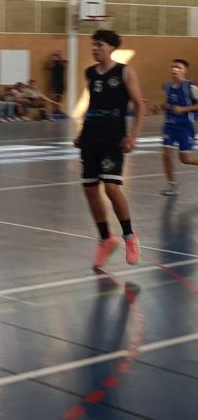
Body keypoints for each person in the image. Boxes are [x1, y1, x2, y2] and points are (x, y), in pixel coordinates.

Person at [76, 30, 145, 267]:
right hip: (90, 135)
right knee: (90, 189)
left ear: (112, 47)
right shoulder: (90, 73)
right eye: (93, 45)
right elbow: (92, 105)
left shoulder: (125, 72)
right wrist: (81, 132)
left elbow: (139, 105)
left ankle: (129, 236)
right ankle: (106, 239)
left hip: (113, 136)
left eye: (99, 45)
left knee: (112, 188)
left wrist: (133, 136)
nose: (94, 48)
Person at [160, 59, 198, 196]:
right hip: (169, 125)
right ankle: (172, 185)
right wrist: (163, 106)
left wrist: (184, 109)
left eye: (178, 67)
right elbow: (168, 102)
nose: (174, 69)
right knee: (166, 153)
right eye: (173, 67)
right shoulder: (166, 86)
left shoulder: (190, 87)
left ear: (184, 70)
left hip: (185, 127)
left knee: (185, 159)